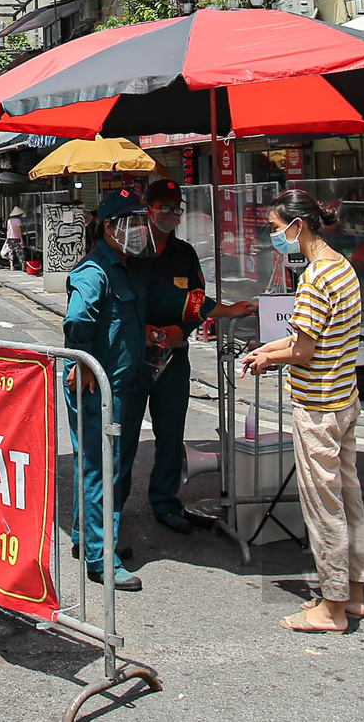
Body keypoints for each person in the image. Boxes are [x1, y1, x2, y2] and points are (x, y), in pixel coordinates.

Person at [240, 188, 364, 633]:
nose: (276, 238)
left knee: (323, 507)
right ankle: (353, 593)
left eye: (277, 230)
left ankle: (331, 607)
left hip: (319, 407)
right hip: (345, 401)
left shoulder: (316, 277)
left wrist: (267, 358)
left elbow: (305, 349)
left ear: (298, 227)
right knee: (347, 499)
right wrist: (267, 348)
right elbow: (305, 339)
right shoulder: (343, 268)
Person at [132, 178, 255, 533]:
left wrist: (180, 333)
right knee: (122, 435)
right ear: (148, 209)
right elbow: (119, 300)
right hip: (134, 358)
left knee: (170, 434)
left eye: (176, 209)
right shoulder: (131, 250)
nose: (170, 214)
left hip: (173, 358)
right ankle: (112, 509)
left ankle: (167, 503)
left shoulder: (184, 253)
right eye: (163, 207)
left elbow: (196, 302)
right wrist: (141, 330)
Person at [62, 187, 152, 592]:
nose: (139, 230)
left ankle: (90, 538)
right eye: (130, 223)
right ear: (109, 227)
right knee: (102, 469)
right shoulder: (94, 270)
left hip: (124, 385)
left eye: (141, 222)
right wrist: (82, 360)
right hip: (98, 387)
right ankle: (102, 560)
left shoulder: (126, 265)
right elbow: (79, 318)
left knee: (110, 465)